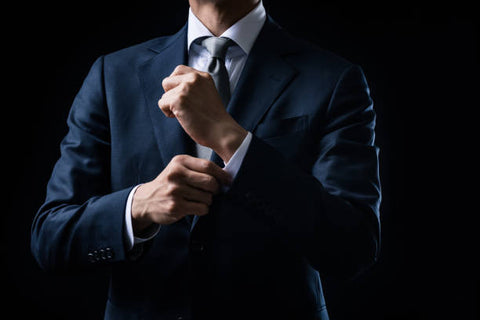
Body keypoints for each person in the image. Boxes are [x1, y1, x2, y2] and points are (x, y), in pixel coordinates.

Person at [31, 0, 381, 319]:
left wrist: (231, 139)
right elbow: (51, 237)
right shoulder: (112, 75)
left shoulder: (334, 79)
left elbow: (353, 247)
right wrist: (137, 207)